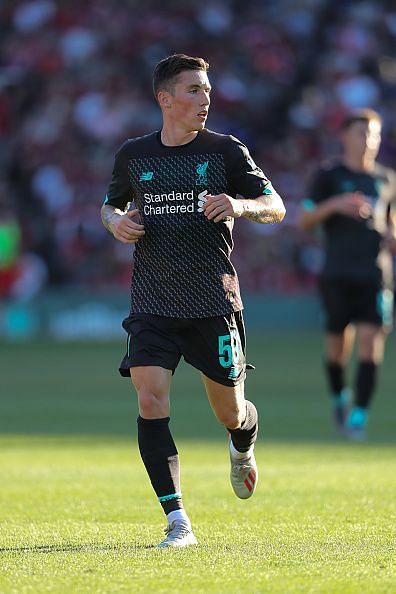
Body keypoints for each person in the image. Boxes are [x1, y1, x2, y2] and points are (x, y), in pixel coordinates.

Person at [101, 54, 285, 548]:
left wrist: (239, 205)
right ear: (165, 99)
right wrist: (114, 222)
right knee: (149, 399)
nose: (205, 99)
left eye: (206, 90)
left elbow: (276, 205)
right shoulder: (134, 155)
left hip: (213, 304)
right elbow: (111, 203)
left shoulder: (227, 151)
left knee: (230, 411)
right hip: (153, 302)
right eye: (193, 91)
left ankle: (243, 442)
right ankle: (178, 521)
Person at [299, 108, 396, 440]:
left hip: (375, 275)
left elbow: (391, 221)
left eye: (374, 134)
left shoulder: (386, 180)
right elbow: (305, 217)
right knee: (336, 350)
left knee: (371, 346)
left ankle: (359, 417)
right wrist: (337, 205)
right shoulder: (329, 175)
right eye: (361, 133)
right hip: (337, 274)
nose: (368, 140)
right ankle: (340, 396)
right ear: (345, 136)